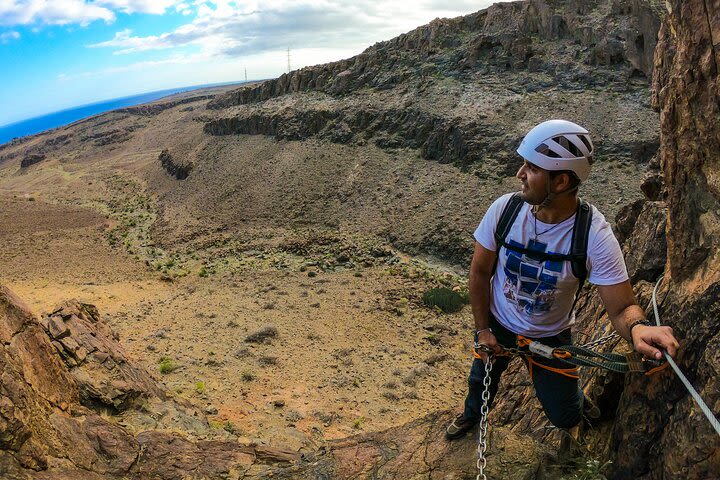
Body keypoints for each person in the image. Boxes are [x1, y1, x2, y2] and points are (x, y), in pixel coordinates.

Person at [445, 119, 680, 440]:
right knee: (480, 381)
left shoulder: (593, 236)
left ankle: (577, 405)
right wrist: (483, 329)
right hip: (498, 323)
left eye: (531, 167)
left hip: (550, 337)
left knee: (564, 413)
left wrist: (639, 328)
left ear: (560, 182)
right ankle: (470, 418)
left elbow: (622, 305)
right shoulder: (504, 211)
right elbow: (479, 272)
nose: (519, 174)